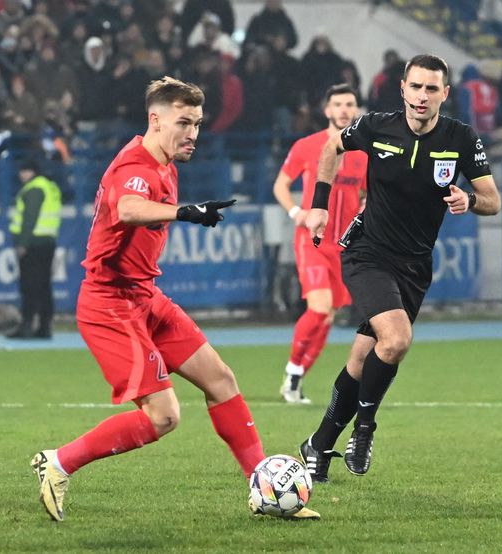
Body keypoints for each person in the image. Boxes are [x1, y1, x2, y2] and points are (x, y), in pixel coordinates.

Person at [29, 76, 319, 522]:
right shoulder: (136, 167)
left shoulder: (166, 165)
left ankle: (262, 488)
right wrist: (183, 212)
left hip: (144, 297)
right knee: (164, 416)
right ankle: (58, 463)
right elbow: (128, 208)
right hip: (109, 305)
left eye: (198, 124)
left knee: (221, 380)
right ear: (155, 119)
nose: (193, 134)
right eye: (184, 122)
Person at [298, 54, 502, 482]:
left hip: (413, 266)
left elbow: (493, 200)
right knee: (395, 340)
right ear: (403, 89)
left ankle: (317, 445)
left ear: (445, 94)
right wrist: (319, 205)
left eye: (432, 88)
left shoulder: (461, 138)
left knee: (361, 360)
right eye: (416, 87)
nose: (422, 96)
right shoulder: (376, 126)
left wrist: (470, 200)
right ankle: (365, 428)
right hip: (367, 252)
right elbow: (332, 147)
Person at [272, 83, 367, 404]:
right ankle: (292, 371)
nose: (343, 109)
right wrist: (297, 212)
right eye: (337, 104)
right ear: (327, 111)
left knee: (327, 317)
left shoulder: (364, 153)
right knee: (320, 307)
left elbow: (370, 194)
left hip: (343, 247)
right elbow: (281, 185)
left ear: (356, 110)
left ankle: (295, 378)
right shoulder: (307, 146)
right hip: (312, 240)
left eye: (349, 104)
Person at [7, 159, 61, 339]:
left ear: (33, 172)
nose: (22, 175)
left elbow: (29, 218)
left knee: (29, 286)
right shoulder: (50, 187)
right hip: (48, 242)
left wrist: (22, 243)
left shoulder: (34, 189)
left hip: (33, 244)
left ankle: (27, 325)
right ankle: (45, 327)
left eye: (26, 170)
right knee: (44, 286)